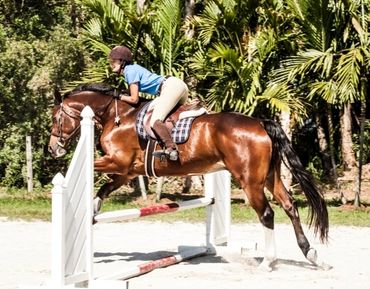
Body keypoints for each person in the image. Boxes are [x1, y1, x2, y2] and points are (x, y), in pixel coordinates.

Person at [108, 45, 188, 161]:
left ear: (122, 61)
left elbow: (134, 99)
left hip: (170, 87)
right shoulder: (133, 69)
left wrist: (119, 96)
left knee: (155, 120)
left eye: (114, 61)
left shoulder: (129, 71)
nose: (112, 63)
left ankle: (171, 150)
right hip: (177, 86)